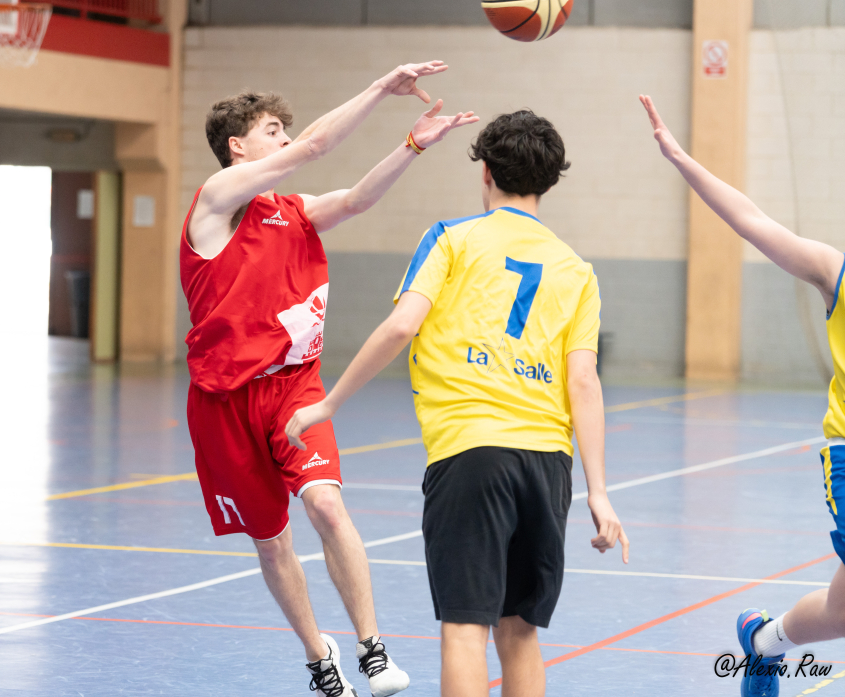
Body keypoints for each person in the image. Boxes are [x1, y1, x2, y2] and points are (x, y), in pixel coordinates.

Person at [286, 110, 631, 697]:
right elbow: (584, 383)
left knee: (465, 629)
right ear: (549, 182)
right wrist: (597, 490)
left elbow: (402, 327)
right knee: (519, 631)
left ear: (486, 171)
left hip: (471, 453)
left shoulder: (451, 238)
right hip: (548, 464)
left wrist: (330, 403)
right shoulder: (577, 270)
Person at [182, 62, 478, 697]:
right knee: (271, 543)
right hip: (224, 402)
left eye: (287, 129)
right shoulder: (214, 202)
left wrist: (412, 145)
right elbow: (317, 145)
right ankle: (320, 656)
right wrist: (380, 87)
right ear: (237, 147)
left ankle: (373, 650)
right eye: (272, 130)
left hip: (293, 388)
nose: (288, 138)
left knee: (325, 503)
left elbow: (357, 198)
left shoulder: (294, 211)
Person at [641, 94, 845, 697]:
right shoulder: (835, 271)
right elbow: (753, 221)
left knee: (839, 614)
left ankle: (762, 643)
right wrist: (681, 159)